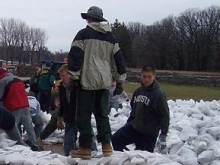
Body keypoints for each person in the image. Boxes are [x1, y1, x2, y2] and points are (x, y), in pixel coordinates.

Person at [68, 6, 126, 159]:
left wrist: (74, 77)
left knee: (83, 116)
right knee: (102, 115)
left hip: (87, 82)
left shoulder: (83, 34)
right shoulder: (112, 39)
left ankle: (85, 148)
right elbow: (119, 62)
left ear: (89, 18)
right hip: (104, 82)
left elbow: (75, 58)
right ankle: (107, 146)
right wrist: (120, 81)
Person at [111, 64, 170, 153]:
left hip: (148, 134)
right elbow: (134, 111)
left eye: (149, 77)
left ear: (154, 76)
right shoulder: (138, 91)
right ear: (141, 76)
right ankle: (126, 157)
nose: (146, 79)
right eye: (144, 76)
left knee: (142, 158)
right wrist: (128, 124)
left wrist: (163, 134)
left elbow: (164, 115)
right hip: (134, 128)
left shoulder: (159, 94)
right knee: (116, 139)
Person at [56, 64, 97, 156]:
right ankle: (67, 157)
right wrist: (59, 117)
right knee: (68, 140)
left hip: (81, 117)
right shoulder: (62, 88)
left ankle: (95, 154)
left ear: (69, 74)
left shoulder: (78, 86)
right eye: (61, 76)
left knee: (88, 136)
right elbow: (62, 104)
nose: (61, 78)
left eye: (63, 75)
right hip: (69, 117)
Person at [0, 68, 39, 151]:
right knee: (29, 126)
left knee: (13, 129)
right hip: (25, 105)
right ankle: (34, 144)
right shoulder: (17, 78)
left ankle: (20, 147)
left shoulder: (3, 81)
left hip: (13, 106)